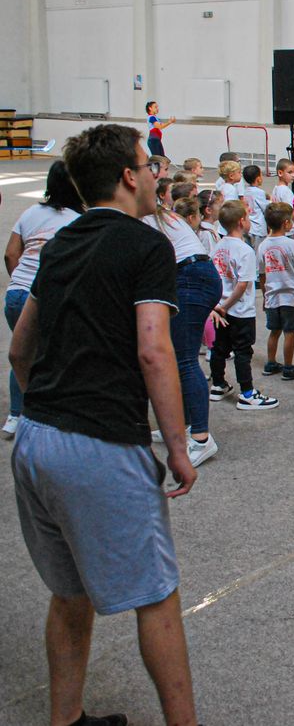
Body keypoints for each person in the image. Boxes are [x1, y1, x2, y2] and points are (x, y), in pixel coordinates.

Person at [9, 123, 199, 726]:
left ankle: (64, 720)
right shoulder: (147, 247)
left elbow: (19, 350)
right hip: (100, 447)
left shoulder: (60, 243)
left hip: (36, 440)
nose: (154, 176)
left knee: (71, 595)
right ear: (127, 176)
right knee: (157, 597)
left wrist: (49, 407)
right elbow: (154, 351)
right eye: (149, 166)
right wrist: (179, 445)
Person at [142, 174, 225, 465]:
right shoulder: (155, 216)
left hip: (191, 277)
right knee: (177, 356)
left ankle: (201, 438)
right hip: (189, 276)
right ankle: (183, 426)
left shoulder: (143, 219)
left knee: (186, 359)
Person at [3, 161, 84, 438]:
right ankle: (51, 417)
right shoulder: (78, 220)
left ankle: (16, 415)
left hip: (16, 294)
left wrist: (20, 282)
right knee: (54, 357)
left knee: (21, 354)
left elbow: (11, 254)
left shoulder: (30, 212)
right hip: (49, 295)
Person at [209, 200, 278, 411]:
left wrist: (218, 306)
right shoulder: (245, 251)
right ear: (241, 222)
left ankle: (218, 384)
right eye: (248, 217)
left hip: (220, 308)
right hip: (238, 311)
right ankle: (247, 393)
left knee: (219, 348)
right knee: (242, 351)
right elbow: (242, 284)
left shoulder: (217, 247)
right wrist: (227, 305)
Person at [258, 202, 294, 381]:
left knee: (274, 330)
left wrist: (264, 295)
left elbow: (262, 274)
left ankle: (270, 362)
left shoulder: (262, 246)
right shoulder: (292, 245)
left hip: (271, 296)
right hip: (290, 295)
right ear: (286, 223)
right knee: (289, 332)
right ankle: (288, 366)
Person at [242, 164, 269, 250]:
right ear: (258, 178)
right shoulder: (259, 192)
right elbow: (265, 208)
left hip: (249, 226)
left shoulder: (246, 191)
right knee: (259, 250)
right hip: (258, 228)